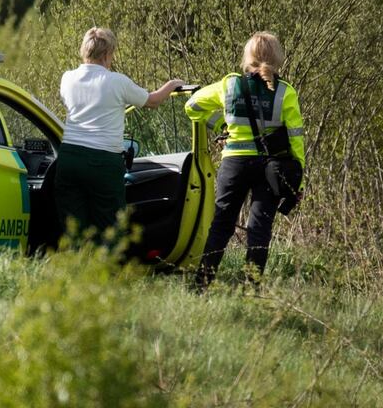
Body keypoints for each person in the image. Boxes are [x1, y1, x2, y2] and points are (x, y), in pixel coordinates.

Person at [185, 31, 305, 288]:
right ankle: (252, 289)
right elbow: (296, 140)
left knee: (221, 225)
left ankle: (201, 285)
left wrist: (220, 128)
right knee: (260, 229)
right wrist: (299, 182)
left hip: (234, 164)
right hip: (270, 166)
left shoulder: (230, 84)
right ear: (277, 58)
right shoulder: (286, 92)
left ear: (247, 57)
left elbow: (192, 106)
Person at [55, 27, 184, 243]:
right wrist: (172, 85)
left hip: (69, 158)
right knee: (110, 227)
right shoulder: (116, 81)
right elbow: (152, 101)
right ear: (107, 54)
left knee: (73, 228)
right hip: (103, 162)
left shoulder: (67, 78)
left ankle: (76, 272)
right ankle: (107, 273)